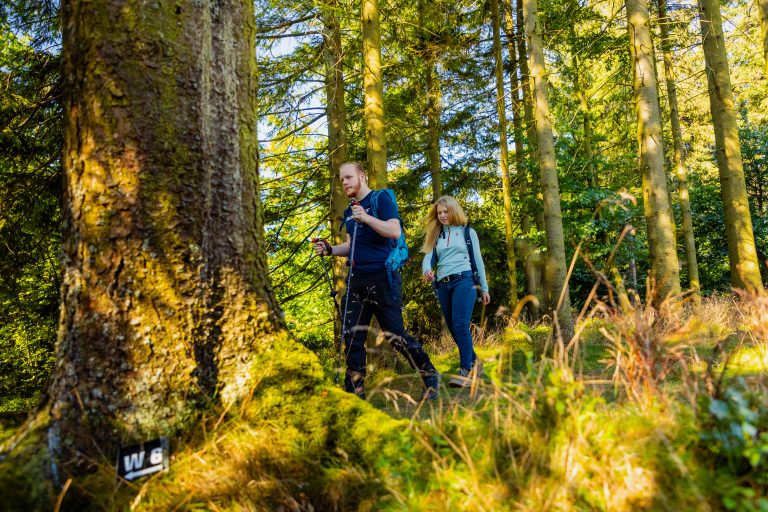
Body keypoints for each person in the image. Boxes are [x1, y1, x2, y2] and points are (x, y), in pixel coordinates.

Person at [313, 161, 440, 401]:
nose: (344, 182)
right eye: (342, 179)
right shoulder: (350, 211)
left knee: (394, 335)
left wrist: (367, 218)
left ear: (362, 177)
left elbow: (394, 231)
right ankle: (355, 394)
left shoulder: (381, 199)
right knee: (352, 336)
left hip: (383, 277)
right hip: (356, 280)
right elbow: (352, 245)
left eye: (349, 177)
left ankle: (429, 373)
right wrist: (330, 250)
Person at [421, 196, 490, 388]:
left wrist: (484, 288)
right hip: (443, 285)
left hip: (464, 280)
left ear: (454, 211)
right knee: (453, 328)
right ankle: (475, 364)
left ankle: (465, 371)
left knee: (460, 325)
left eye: (446, 211)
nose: (442, 216)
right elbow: (427, 258)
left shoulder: (468, 233)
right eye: (439, 213)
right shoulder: (436, 235)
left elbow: (478, 261)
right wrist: (427, 270)